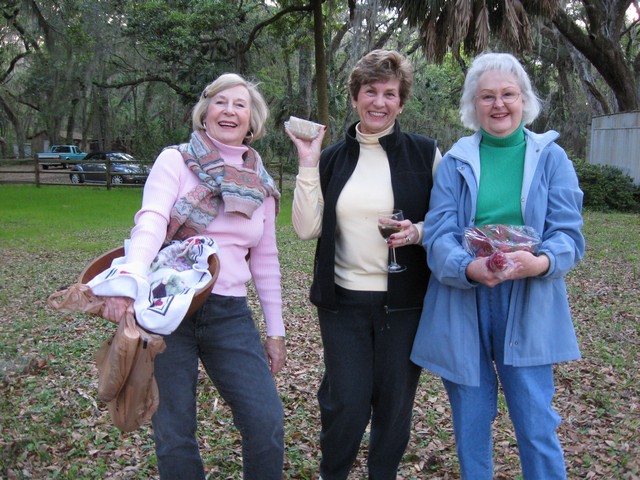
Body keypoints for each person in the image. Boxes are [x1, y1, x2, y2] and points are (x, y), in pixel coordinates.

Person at [100, 73, 285, 480]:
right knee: (174, 434)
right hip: (167, 312)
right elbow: (150, 222)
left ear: (253, 120)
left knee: (266, 422)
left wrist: (276, 332)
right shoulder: (175, 161)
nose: (230, 111)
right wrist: (131, 280)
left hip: (229, 314)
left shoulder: (262, 184)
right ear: (205, 112)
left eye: (241, 104)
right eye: (221, 102)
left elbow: (266, 261)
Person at [411, 52, 585, 479]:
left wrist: (540, 262)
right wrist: (468, 269)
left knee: (535, 419)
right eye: (487, 96)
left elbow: (569, 234)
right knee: (471, 421)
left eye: (508, 94)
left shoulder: (551, 158)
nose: (498, 105)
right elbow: (438, 234)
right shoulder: (455, 161)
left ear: (524, 100)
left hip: (529, 297)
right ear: (473, 105)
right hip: (464, 298)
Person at [286, 49, 441, 480]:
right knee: (346, 404)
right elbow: (305, 228)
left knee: (394, 408)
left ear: (402, 102)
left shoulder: (425, 154)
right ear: (355, 98)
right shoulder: (333, 157)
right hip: (343, 303)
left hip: (406, 304)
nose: (379, 101)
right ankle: (332, 473)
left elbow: (448, 221)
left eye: (389, 93)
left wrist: (418, 233)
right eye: (369, 91)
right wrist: (307, 163)